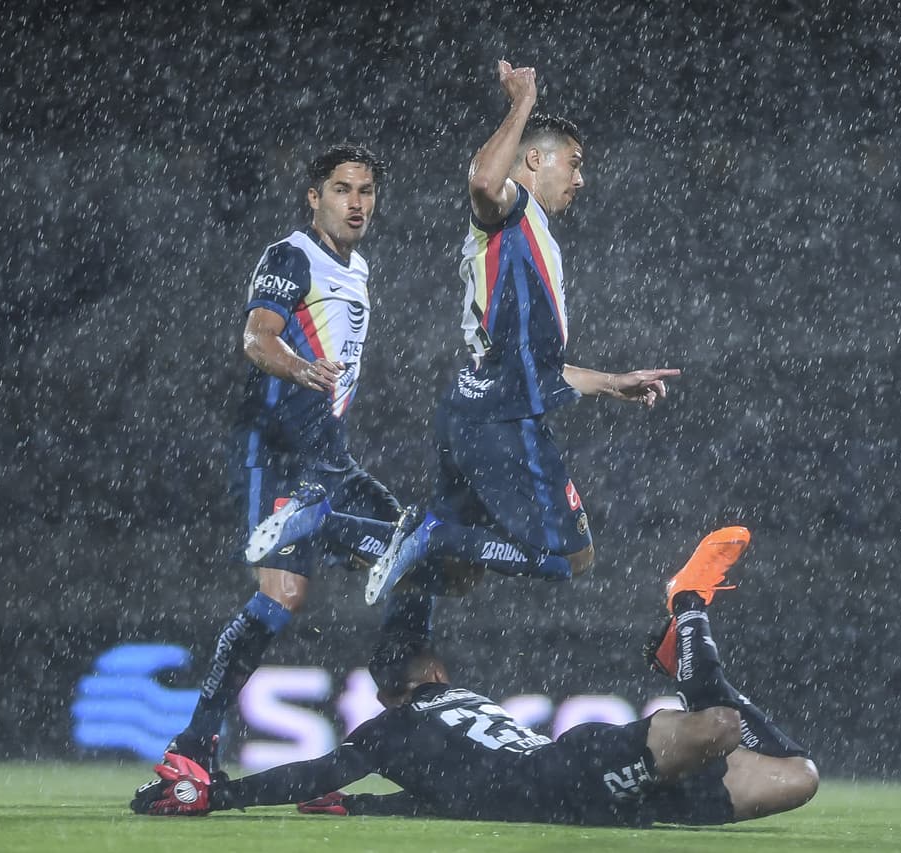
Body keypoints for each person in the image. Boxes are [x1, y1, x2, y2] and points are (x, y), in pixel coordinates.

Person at [245, 60, 681, 664]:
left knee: (458, 575)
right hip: (502, 423)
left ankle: (327, 526)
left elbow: (537, 367)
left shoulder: (534, 236)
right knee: (567, 559)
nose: (581, 179)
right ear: (535, 160)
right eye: (573, 164)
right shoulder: (511, 206)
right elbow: (481, 180)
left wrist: (612, 383)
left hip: (473, 411)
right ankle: (421, 538)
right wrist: (521, 104)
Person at [131, 527, 820, 826]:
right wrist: (369, 807)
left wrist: (216, 796)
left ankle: (689, 601)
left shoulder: (389, 730)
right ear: (436, 669)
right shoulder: (454, 703)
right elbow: (463, 792)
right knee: (798, 774)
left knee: (721, 727)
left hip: (572, 781)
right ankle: (680, 652)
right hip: (579, 782)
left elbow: (313, 774)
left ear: (389, 691)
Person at [164, 144, 404, 771]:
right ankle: (193, 747)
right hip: (275, 447)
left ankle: (406, 739)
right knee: (282, 596)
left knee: (411, 550)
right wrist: (302, 370)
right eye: (342, 190)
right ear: (314, 196)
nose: (356, 203)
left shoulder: (359, 267)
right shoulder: (290, 255)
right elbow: (257, 337)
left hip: (328, 457)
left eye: (366, 191)